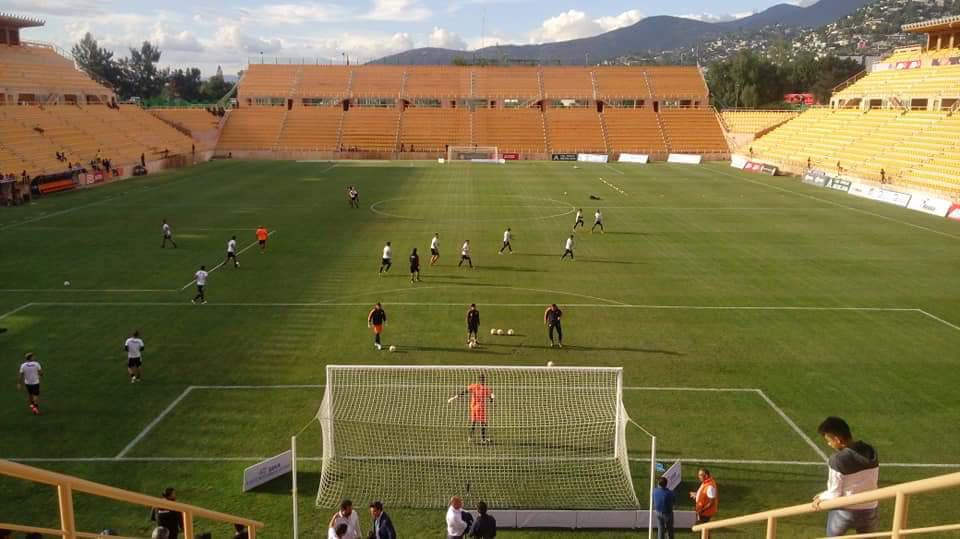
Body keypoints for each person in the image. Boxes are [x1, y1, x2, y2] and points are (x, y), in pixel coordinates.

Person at [812, 416, 880, 537]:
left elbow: (834, 494)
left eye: (829, 440)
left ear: (837, 439)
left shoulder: (837, 460)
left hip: (846, 512)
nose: (828, 444)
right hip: (870, 509)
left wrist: (822, 496)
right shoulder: (870, 450)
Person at [447, 373, 494, 444]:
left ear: (479, 380)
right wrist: (492, 399)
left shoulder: (474, 386)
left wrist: (454, 397)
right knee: (483, 423)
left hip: (473, 407)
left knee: (474, 422)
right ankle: (483, 439)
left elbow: (464, 392)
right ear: (484, 380)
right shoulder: (486, 389)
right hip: (480, 407)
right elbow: (491, 397)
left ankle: (470, 437)